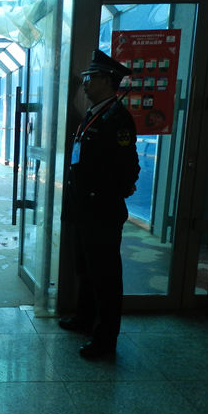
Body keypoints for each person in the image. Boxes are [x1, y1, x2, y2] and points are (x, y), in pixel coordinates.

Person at [59, 49, 140, 359]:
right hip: (84, 210)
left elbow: (128, 168)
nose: (85, 83)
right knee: (85, 269)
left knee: (105, 277)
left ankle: (106, 339)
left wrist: (106, 196)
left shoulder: (117, 119)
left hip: (101, 213)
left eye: (90, 78)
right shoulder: (96, 113)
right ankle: (84, 319)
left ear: (107, 81)